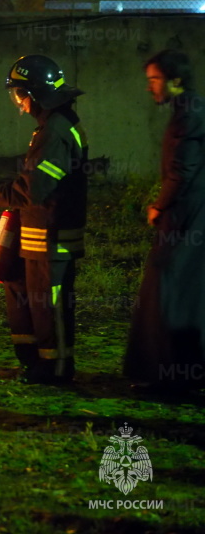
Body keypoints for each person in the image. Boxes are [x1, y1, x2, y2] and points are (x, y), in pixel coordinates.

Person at [0, 55, 88, 384]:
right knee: (24, 296)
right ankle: (36, 363)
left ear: (34, 95)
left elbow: (35, 187)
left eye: (19, 95)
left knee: (49, 306)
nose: (18, 104)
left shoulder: (57, 132)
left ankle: (57, 370)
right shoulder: (52, 127)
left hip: (53, 235)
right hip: (37, 232)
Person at [124, 49, 205, 392]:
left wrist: (159, 205)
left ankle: (168, 377)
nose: (149, 88)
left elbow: (182, 169)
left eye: (154, 80)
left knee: (168, 289)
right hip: (193, 214)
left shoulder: (188, 114)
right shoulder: (192, 108)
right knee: (186, 292)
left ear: (175, 80)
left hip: (186, 218)